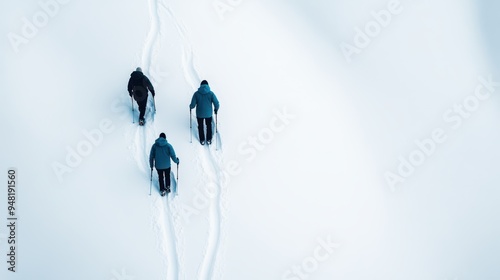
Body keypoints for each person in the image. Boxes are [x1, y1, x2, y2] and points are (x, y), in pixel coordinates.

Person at [189, 80, 220, 145]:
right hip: (208, 114)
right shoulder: (211, 93)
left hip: (199, 114)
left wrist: (190, 107)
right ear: (208, 85)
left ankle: (202, 140)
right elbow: (216, 103)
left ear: (200, 85)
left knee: (200, 126)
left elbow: (193, 105)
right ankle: (209, 139)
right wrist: (216, 109)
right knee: (208, 126)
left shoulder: (196, 94)